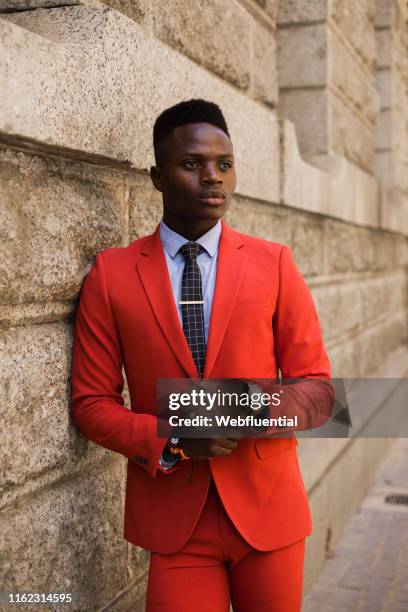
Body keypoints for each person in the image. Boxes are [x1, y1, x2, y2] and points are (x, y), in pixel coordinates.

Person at [71, 98, 331, 611]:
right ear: (157, 177)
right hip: (174, 522)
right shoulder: (112, 274)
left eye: (224, 164)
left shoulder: (274, 263)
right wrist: (172, 436)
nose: (213, 177)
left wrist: (233, 409)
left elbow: (319, 392)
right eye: (192, 164)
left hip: (267, 511)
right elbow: (92, 404)